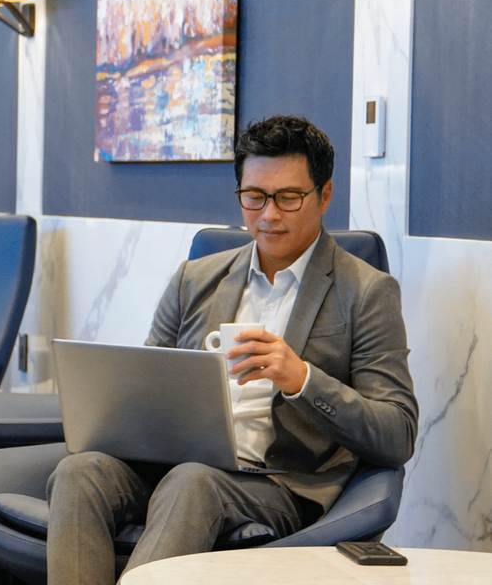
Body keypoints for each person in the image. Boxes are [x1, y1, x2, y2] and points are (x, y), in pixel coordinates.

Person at [45, 115, 417, 583]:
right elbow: (144, 386)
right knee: (81, 472)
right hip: (172, 464)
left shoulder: (366, 291)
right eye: (254, 197)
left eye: (288, 197)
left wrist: (301, 378)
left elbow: (397, 433)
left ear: (324, 196)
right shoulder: (194, 279)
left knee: (193, 482)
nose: (268, 215)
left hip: (277, 482)